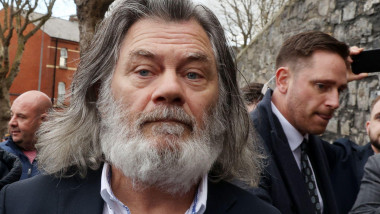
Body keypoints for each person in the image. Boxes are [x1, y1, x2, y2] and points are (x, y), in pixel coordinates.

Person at [0, 1, 280, 213]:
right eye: (144, 71)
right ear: (100, 95)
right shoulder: (20, 205)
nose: (170, 89)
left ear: (223, 103)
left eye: (193, 74)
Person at [250, 31, 367, 214]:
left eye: (340, 89)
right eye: (321, 86)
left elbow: (356, 159)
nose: (335, 102)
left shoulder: (307, 143)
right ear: (283, 80)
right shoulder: (245, 148)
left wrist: (335, 71)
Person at [0, 90, 52, 180]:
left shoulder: (64, 159)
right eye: (11, 115)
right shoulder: (1, 155)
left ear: (44, 120)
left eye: (21, 117)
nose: (12, 122)